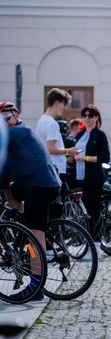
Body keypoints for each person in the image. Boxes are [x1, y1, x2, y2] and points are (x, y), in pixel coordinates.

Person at [0, 101, 61, 300]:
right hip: (43, 183)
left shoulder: (13, 133)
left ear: (16, 115)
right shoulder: (24, 130)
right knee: (12, 195)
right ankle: (22, 224)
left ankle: (35, 288)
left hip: (38, 186)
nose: (4, 122)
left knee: (35, 236)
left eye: (6, 118)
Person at [73, 105, 110, 236]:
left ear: (96, 118)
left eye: (91, 116)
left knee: (94, 209)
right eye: (85, 115)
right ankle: (87, 237)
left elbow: (105, 157)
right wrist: (70, 157)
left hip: (94, 177)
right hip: (79, 176)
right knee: (84, 210)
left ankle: (96, 239)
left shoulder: (100, 135)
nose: (87, 118)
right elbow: (74, 151)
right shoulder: (80, 134)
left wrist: (85, 158)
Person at [35, 88, 79, 190]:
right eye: (64, 104)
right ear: (57, 103)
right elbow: (51, 149)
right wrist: (69, 151)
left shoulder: (41, 120)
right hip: (55, 170)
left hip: (47, 168)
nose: (64, 108)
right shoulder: (52, 123)